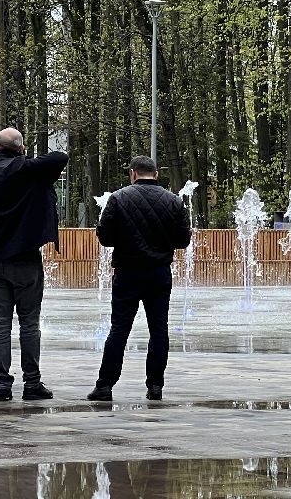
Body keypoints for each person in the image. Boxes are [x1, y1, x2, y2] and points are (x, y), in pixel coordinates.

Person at [0, 127, 68, 402]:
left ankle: (2, 384)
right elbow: (60, 157)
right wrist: (25, 157)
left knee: (0, 324)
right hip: (25, 258)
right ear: (21, 149)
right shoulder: (26, 169)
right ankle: (32, 383)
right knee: (29, 323)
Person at [88, 156, 192, 402]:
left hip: (128, 272)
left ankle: (105, 386)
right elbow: (183, 240)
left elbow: (106, 239)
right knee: (159, 331)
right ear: (156, 173)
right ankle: (155, 386)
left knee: (119, 330)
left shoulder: (118, 198)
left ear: (133, 173)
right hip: (159, 273)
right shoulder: (174, 201)